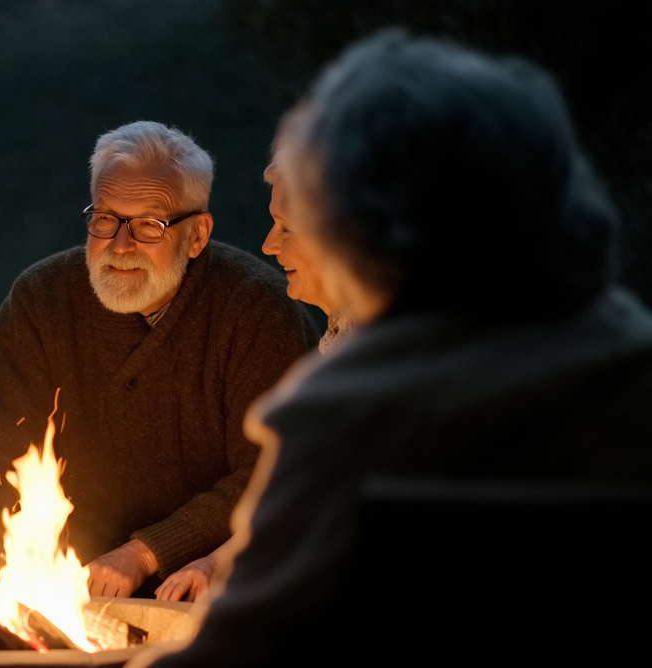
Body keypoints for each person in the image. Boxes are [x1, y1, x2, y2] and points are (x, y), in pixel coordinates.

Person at [140, 31, 652, 666]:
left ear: (372, 237)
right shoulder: (625, 362)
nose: (271, 248)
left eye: (296, 227)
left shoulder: (358, 416)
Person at [0, 120, 318, 601]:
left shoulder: (259, 310)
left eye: (149, 224)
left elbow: (272, 474)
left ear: (196, 235)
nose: (119, 245)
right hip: (61, 584)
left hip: (206, 584)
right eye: (105, 219)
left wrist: (147, 551)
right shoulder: (40, 301)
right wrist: (23, 586)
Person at [153, 151, 353, 603]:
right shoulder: (342, 345)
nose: (267, 244)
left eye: (286, 226)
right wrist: (214, 565)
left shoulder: (396, 369)